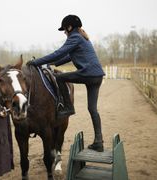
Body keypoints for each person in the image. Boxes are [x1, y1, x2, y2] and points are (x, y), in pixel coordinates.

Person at [27, 15, 105, 152]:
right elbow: (68, 56)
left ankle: (68, 107)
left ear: (69, 27)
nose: (64, 32)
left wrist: (36, 62)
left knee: (59, 77)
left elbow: (59, 53)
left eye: (64, 30)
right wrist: (50, 63)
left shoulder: (74, 37)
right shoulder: (83, 38)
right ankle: (99, 141)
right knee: (92, 109)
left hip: (88, 74)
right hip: (97, 76)